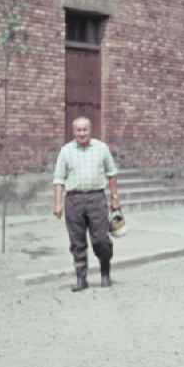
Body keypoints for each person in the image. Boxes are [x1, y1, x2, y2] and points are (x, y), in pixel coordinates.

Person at [53, 117, 121, 291]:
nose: (82, 133)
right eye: (78, 130)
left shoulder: (101, 148)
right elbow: (59, 179)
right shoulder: (66, 151)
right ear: (73, 131)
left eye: (85, 130)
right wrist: (58, 203)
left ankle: (105, 273)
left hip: (96, 199)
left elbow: (111, 174)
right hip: (73, 200)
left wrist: (114, 198)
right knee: (77, 242)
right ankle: (81, 279)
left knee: (101, 240)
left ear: (90, 130)